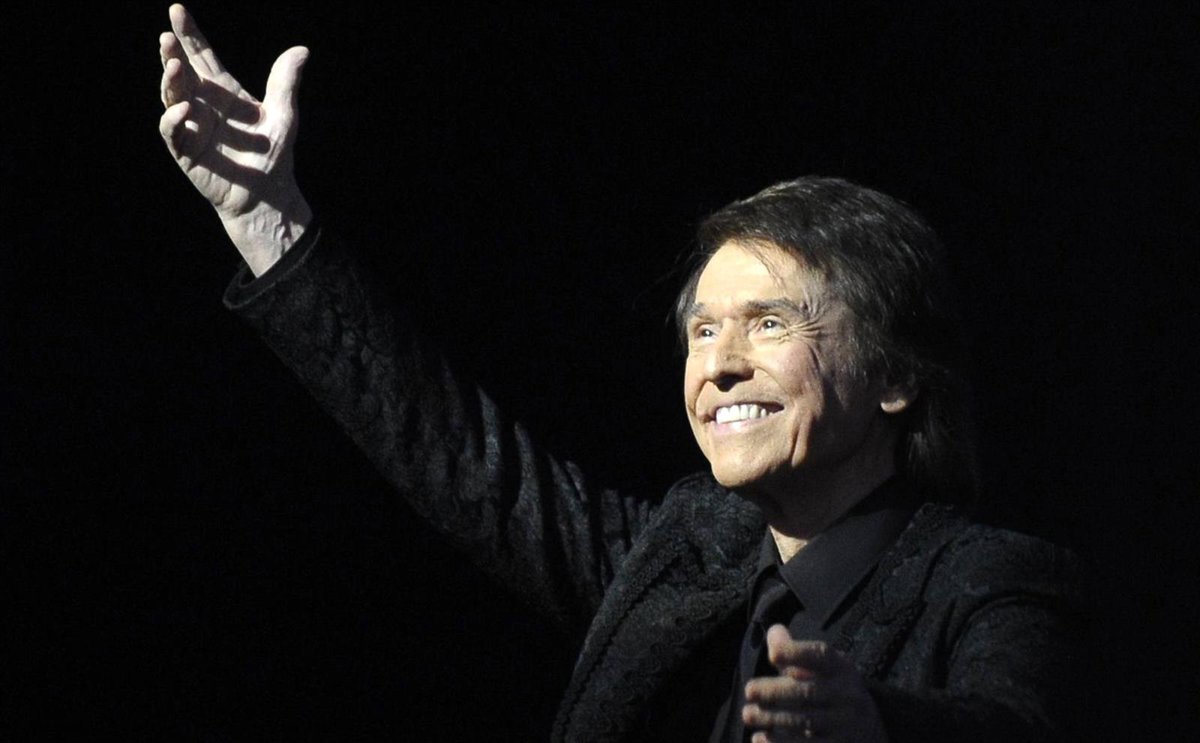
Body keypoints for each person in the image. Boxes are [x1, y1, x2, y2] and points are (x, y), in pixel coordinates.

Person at [158, 5, 1086, 741]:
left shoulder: (989, 579)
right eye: (704, 330)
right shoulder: (683, 550)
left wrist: (878, 724)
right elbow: (457, 457)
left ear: (896, 375)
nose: (720, 365)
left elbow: (1015, 724)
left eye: (769, 323)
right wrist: (270, 222)